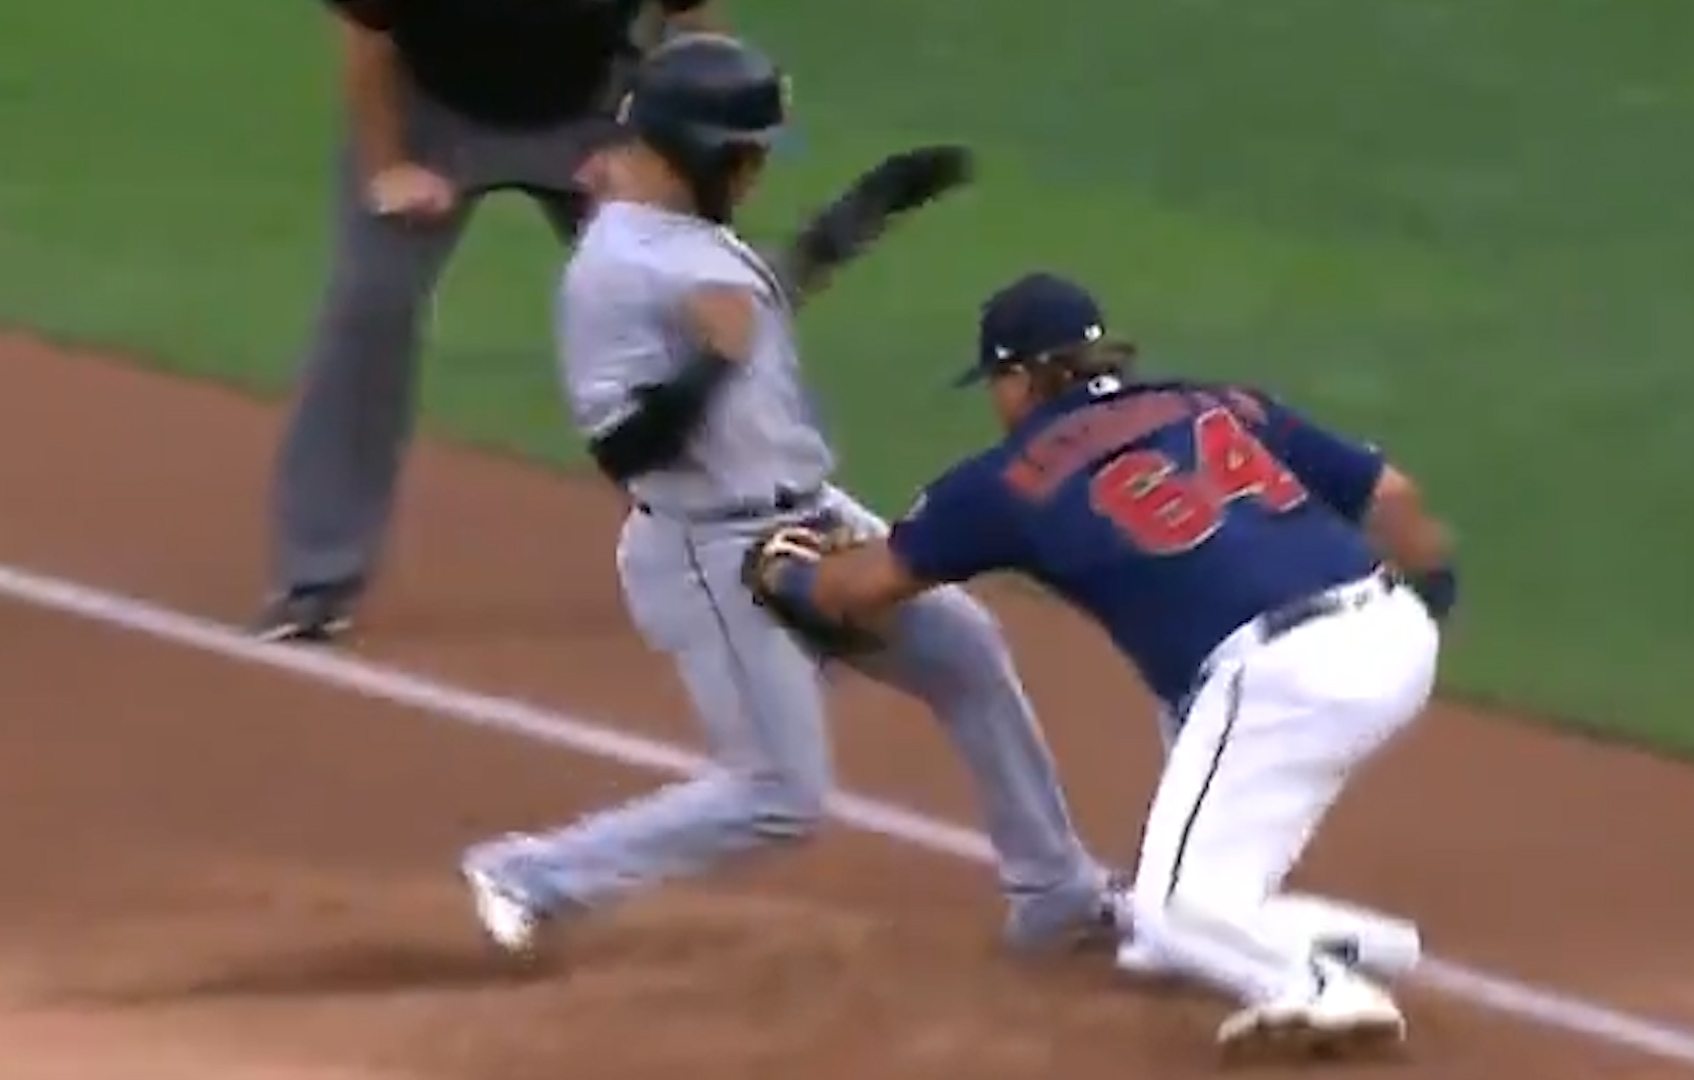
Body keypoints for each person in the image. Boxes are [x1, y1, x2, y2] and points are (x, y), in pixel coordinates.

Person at [458, 36, 1115, 960]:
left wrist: (871, 206)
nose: (759, 168)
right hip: (710, 551)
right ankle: (530, 874)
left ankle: (1055, 893)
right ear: (695, 151)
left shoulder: (683, 229)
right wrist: (709, 367)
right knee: (779, 796)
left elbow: (765, 293)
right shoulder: (613, 272)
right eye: (748, 153)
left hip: (810, 515)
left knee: (965, 649)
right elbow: (622, 451)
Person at [741, 271, 1458, 1060]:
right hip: (1390, 629)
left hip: (1282, 676)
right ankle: (1361, 944)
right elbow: (1393, 496)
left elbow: (862, 590)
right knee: (1163, 920)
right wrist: (1425, 607)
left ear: (1017, 380)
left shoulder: (1003, 482)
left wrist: (783, 571)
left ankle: (1322, 991)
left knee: (1171, 912)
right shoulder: (1219, 401)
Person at [254, 0, 719, 642]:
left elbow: (697, 35)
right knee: (370, 304)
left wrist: (657, 155)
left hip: (592, 113)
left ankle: (738, 551)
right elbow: (366, 37)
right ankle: (317, 578)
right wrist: (389, 166)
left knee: (690, 308)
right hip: (428, 112)